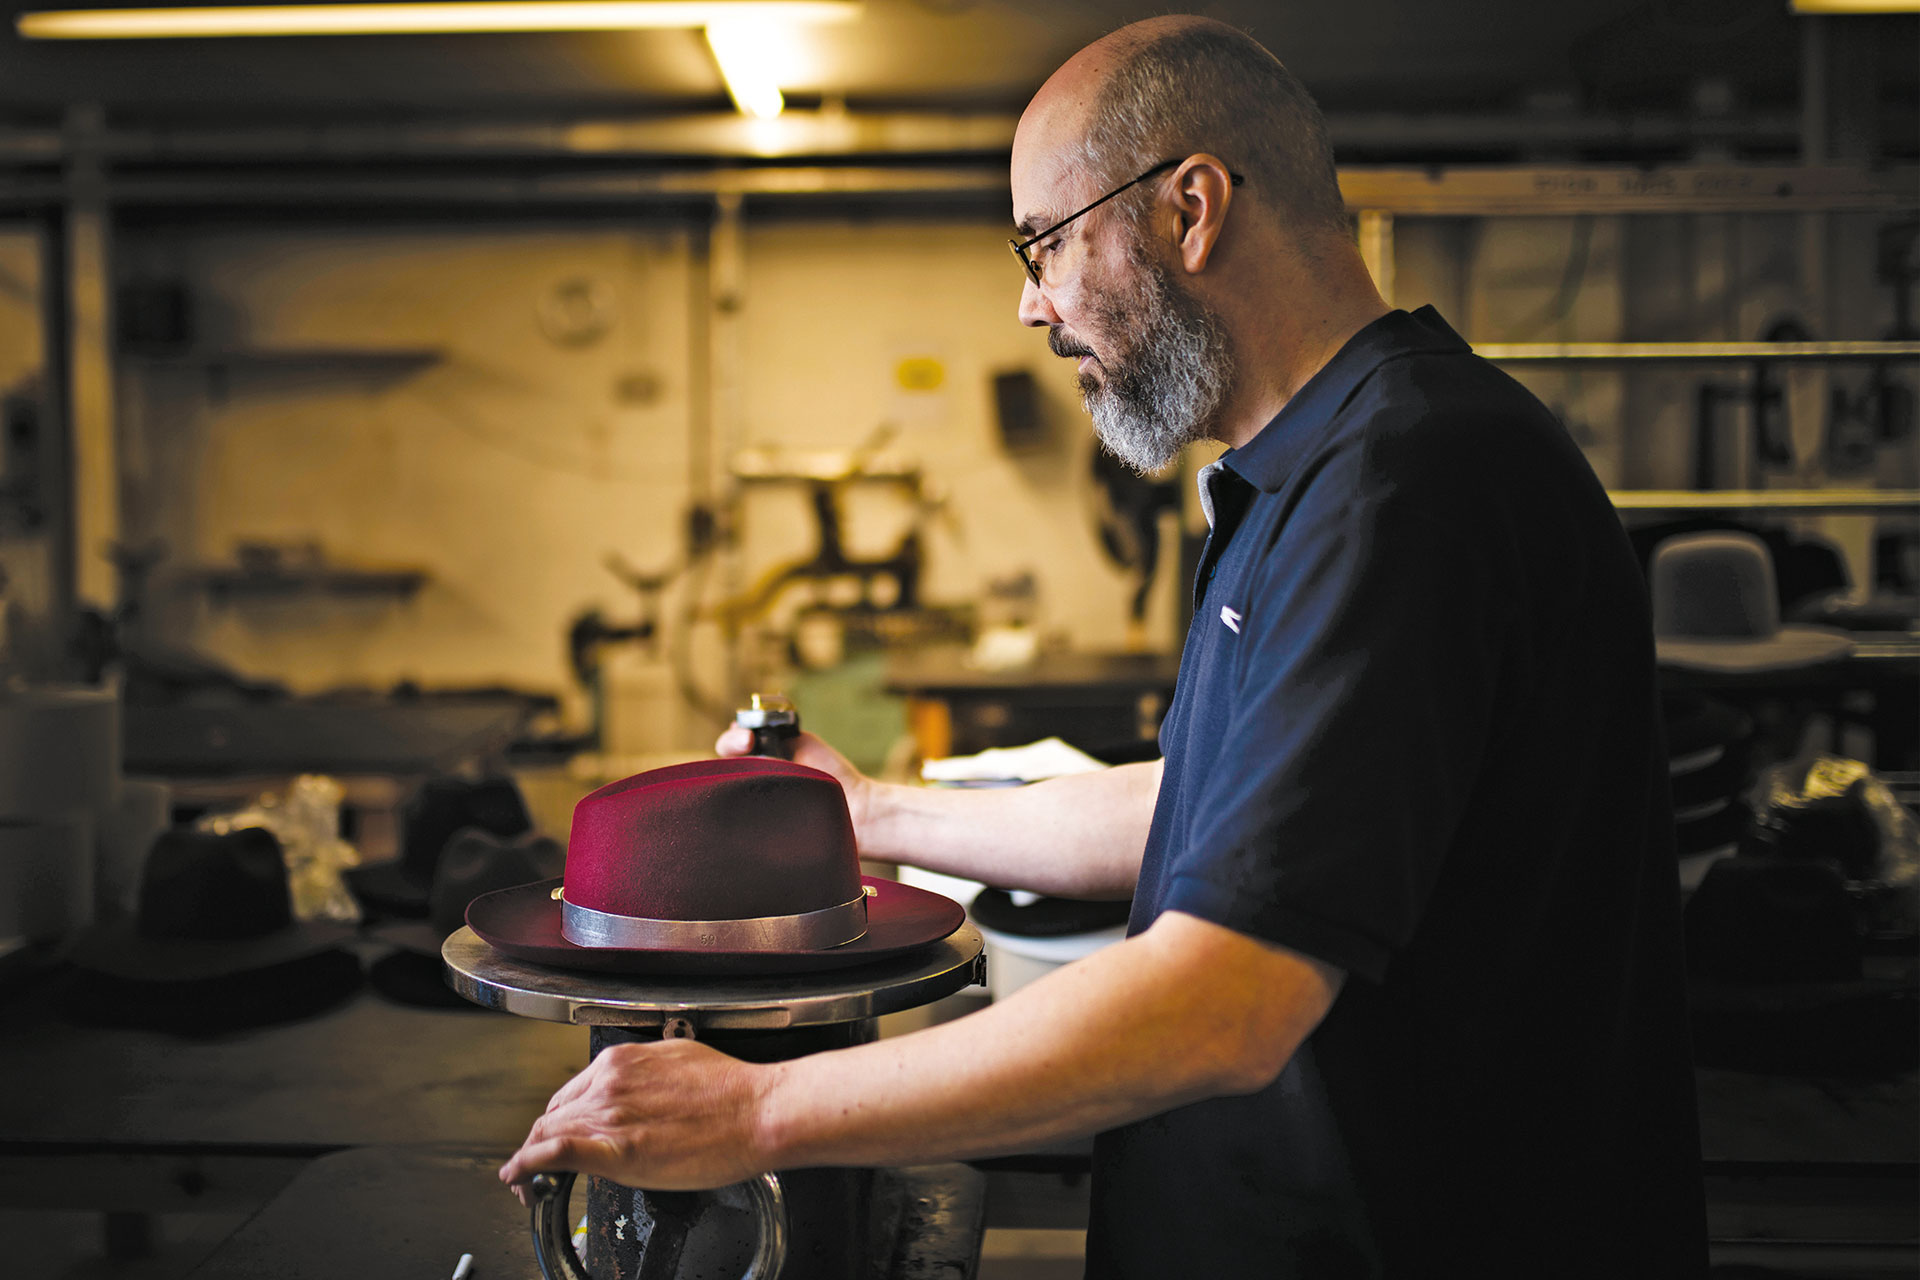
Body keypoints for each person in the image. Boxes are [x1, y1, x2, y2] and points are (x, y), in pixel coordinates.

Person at [502, 16, 1708, 1276]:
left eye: (1048, 243)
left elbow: (1226, 1001)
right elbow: (1207, 811)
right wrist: (870, 812)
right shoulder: (1309, 473)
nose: (1031, 305)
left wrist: (752, 1115)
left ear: (1192, 209)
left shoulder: (1409, 483)